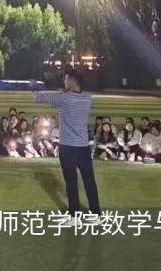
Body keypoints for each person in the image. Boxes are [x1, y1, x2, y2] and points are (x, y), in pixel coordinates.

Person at [31, 69, 101, 220]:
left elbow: (39, 98)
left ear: (72, 81)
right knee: (89, 181)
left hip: (68, 147)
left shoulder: (64, 98)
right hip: (83, 146)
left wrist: (34, 88)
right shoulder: (87, 98)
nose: (64, 81)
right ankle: (96, 214)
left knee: (71, 182)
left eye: (66, 79)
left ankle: (74, 216)